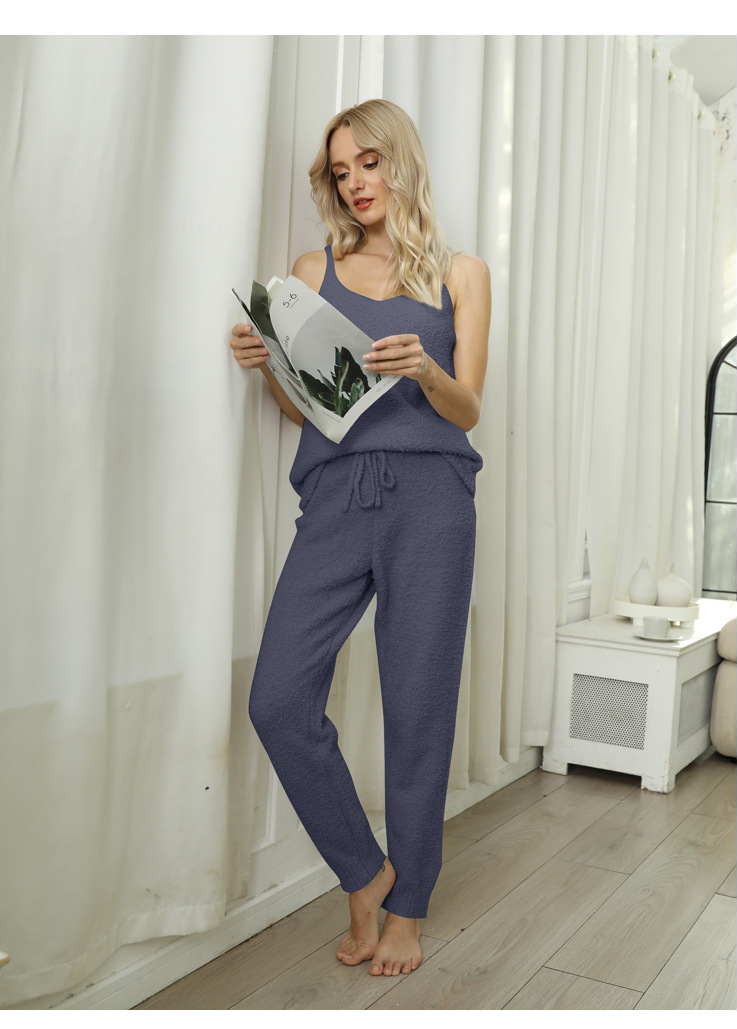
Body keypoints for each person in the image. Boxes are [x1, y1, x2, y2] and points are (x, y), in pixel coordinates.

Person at [230, 99, 490, 978]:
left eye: (369, 163)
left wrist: (426, 368)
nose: (355, 184)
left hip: (432, 499)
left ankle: (407, 905)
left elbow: (469, 408)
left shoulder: (462, 274)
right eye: (341, 172)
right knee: (278, 698)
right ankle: (365, 871)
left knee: (419, 707)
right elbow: (307, 408)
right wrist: (270, 363)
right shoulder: (314, 269)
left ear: (400, 160)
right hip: (337, 495)